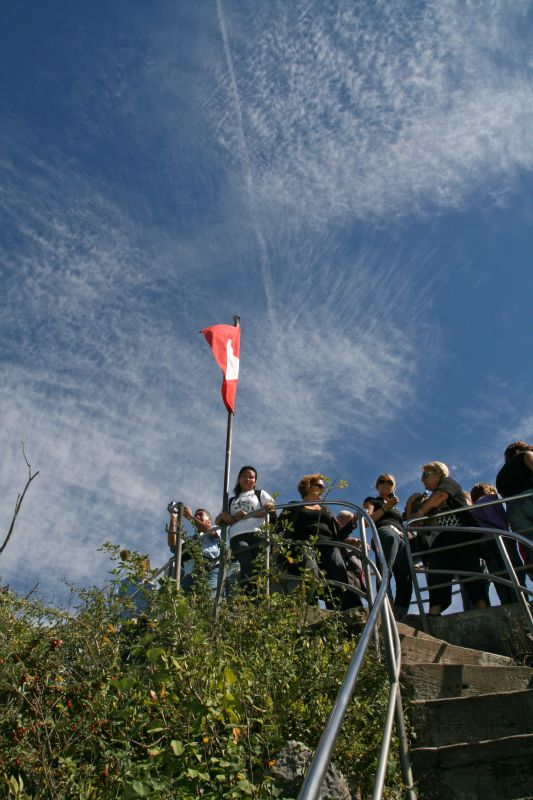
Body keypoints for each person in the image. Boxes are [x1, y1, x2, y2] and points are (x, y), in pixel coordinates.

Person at [407, 462, 488, 616]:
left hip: (458, 534)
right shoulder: (429, 501)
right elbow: (414, 523)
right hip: (437, 541)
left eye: (425, 475)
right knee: (437, 577)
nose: (422, 480)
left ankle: (483, 608)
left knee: (470, 573)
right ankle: (433, 614)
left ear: (438, 473)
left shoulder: (448, 484)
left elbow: (441, 496)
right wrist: (411, 504)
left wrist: (420, 512)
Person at [276, 474, 362, 609]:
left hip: (329, 546)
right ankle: (310, 609)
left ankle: (348, 610)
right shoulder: (295, 506)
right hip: (304, 545)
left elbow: (337, 535)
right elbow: (280, 527)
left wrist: (353, 522)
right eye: (320, 486)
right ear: (308, 487)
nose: (323, 490)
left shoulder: (326, 509)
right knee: (310, 571)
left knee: (338, 572)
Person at [215, 466, 274, 590]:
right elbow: (219, 521)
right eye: (244, 476)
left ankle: (259, 596)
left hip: (258, 533)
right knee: (246, 563)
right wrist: (223, 516)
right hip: (238, 535)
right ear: (239, 479)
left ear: (255, 481)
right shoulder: (231, 500)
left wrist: (248, 515)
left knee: (261, 564)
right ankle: (249, 597)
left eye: (251, 477)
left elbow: (270, 508)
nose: (248, 479)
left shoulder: (260, 494)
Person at [363, 474, 413, 619]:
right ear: (377, 486)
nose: (385, 484)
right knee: (385, 571)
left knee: (406, 577)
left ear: (394, 486)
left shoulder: (397, 510)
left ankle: (399, 612)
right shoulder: (372, 501)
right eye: (381, 481)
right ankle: (385, 608)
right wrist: (385, 507)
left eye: (389, 482)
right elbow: (366, 522)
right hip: (385, 533)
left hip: (402, 539)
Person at [470, 482, 524, 604]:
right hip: (502, 538)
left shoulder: (472, 509)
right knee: (514, 570)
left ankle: (507, 604)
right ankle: (520, 600)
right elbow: (504, 516)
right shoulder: (492, 499)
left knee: (498, 576)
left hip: (486, 544)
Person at [496, 441, 533, 574]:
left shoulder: (500, 475)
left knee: (530, 546)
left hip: (513, 510)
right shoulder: (526, 455)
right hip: (530, 496)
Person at [167, 505, 221, 596]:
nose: (197, 516)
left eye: (200, 515)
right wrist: (174, 518)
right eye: (196, 515)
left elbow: (210, 532)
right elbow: (173, 544)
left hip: (209, 570)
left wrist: (189, 517)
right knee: (184, 605)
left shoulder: (216, 529)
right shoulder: (190, 540)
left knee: (210, 600)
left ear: (209, 521)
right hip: (189, 575)